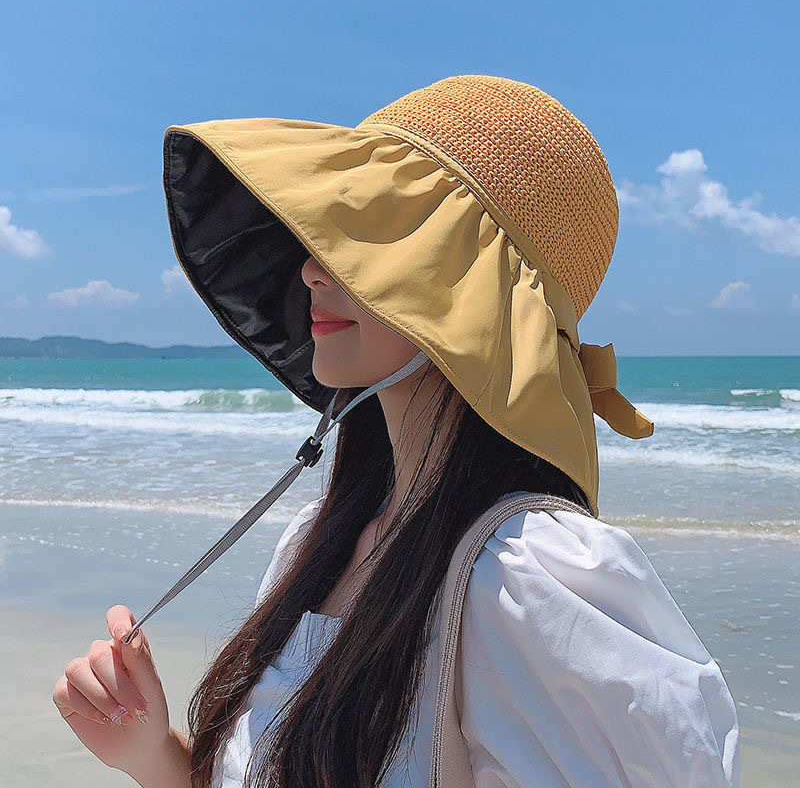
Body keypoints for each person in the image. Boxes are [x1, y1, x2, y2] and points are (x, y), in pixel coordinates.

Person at [52, 75, 740, 787]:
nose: (312, 269)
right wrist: (154, 756)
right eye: (329, 236)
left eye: (368, 241)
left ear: (470, 295)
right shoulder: (315, 542)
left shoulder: (528, 581)